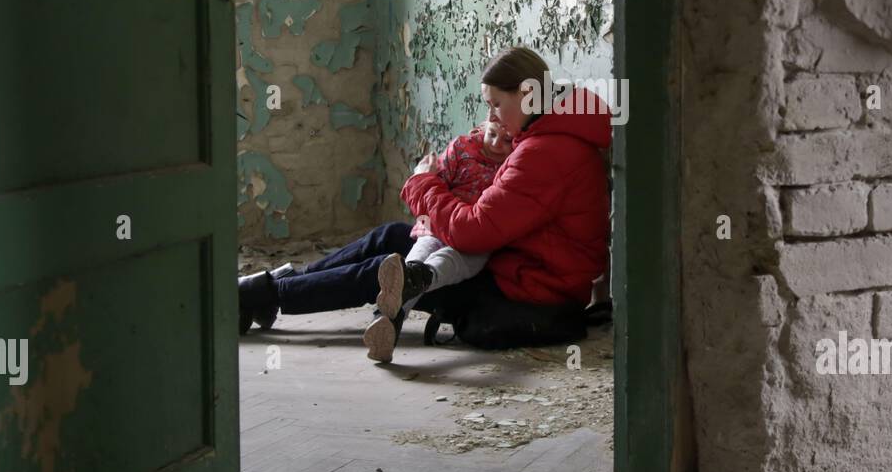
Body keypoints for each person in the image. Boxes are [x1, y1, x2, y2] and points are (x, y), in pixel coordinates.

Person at [237, 120, 514, 363]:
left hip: (482, 275)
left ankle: (263, 294)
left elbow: (477, 226)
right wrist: (429, 182)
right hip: (453, 234)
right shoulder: (474, 148)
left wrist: (423, 181)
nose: (497, 141)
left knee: (381, 271)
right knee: (391, 234)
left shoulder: (523, 161)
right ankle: (282, 281)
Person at [399, 46, 612, 350]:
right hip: (529, 274)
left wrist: (422, 184)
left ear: (526, 93)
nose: (491, 117)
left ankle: (304, 292)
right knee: (391, 240)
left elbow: (472, 232)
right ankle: (303, 281)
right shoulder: (549, 136)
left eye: (496, 104)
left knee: (388, 266)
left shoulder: (544, 153)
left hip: (533, 291)